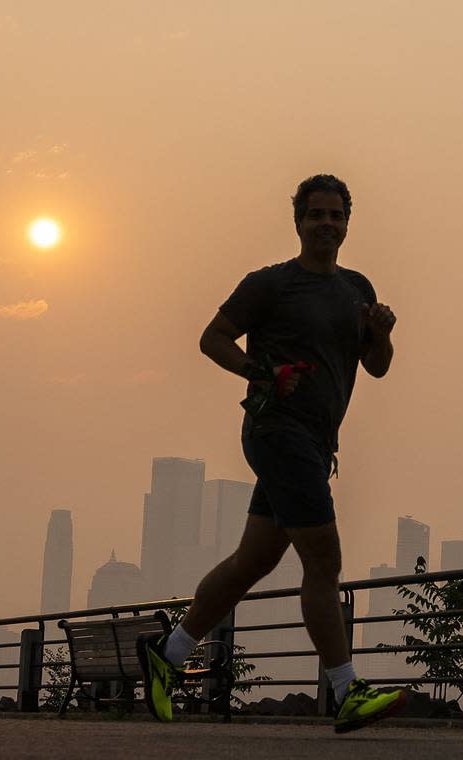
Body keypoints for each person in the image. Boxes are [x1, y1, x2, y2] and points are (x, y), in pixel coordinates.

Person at [137, 174, 403, 733]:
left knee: (252, 563)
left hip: (314, 442)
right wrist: (260, 371)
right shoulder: (271, 285)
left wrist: (380, 332)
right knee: (324, 563)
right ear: (298, 222)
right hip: (277, 432)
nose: (327, 223)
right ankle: (347, 691)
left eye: (336, 215)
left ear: (348, 223)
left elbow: (376, 367)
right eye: (316, 215)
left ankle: (168, 654)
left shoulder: (357, 287)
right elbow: (212, 339)